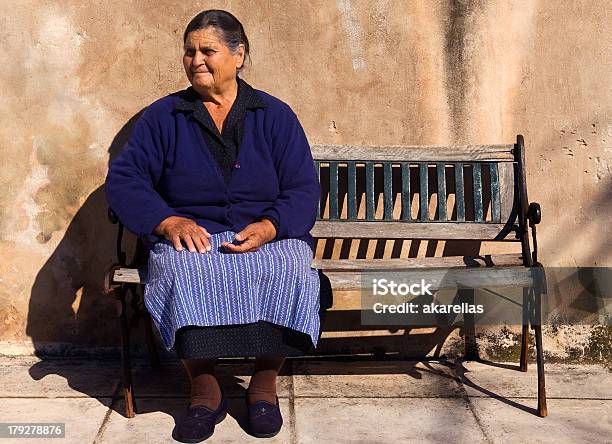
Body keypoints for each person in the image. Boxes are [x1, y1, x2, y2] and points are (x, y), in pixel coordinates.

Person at [104, 9, 322, 442]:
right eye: (189, 51)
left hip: (264, 232)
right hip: (192, 234)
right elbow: (126, 180)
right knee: (180, 270)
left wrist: (271, 227)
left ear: (239, 56)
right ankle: (205, 391)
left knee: (291, 269)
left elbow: (302, 187)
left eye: (208, 50)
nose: (197, 60)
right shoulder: (164, 117)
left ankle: (263, 387)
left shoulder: (274, 115)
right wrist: (166, 221)